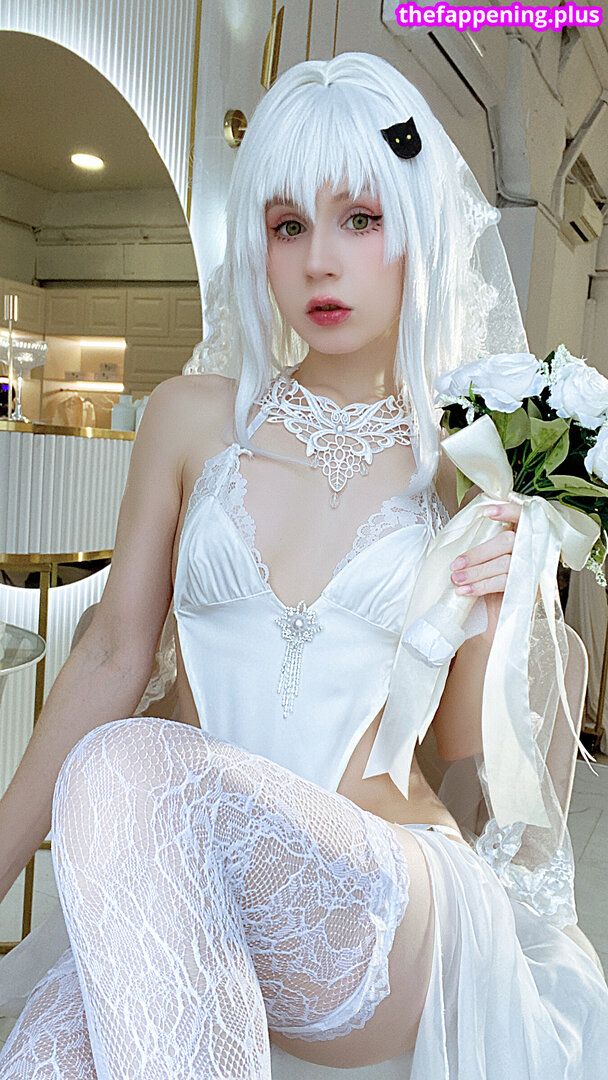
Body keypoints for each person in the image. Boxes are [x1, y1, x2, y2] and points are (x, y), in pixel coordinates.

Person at [0, 51, 607, 1080]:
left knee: (122, 764)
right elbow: (110, 654)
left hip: (382, 903)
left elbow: (460, 743)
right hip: (197, 869)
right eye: (287, 226)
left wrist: (506, 607)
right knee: (40, 1059)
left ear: (416, 228)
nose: (319, 261)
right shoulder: (191, 418)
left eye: (358, 219)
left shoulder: (465, 462)